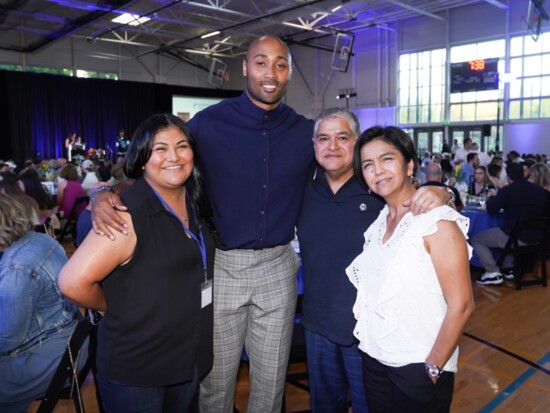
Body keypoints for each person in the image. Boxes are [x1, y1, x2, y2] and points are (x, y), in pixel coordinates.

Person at [90, 36, 453, 413]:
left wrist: (439, 190)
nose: (271, 73)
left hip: (278, 267)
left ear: (289, 74)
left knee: (270, 385)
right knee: (215, 383)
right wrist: (102, 190)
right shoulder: (208, 124)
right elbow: (161, 165)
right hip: (223, 267)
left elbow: (383, 175)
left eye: (280, 64)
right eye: (261, 63)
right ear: (245, 68)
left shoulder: (305, 133)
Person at [297, 108, 452, 413]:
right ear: (313, 145)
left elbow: (419, 198)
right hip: (316, 325)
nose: (333, 146)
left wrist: (441, 191)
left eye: (343, 138)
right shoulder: (302, 189)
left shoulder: (377, 187)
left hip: (368, 332)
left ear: (356, 143)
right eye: (323, 138)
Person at [58, 113, 216, 412]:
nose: (173, 156)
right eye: (160, 148)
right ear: (143, 158)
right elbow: (71, 281)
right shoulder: (126, 215)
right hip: (139, 368)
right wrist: (111, 305)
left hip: (187, 356)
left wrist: (101, 189)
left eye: (182, 146)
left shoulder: (196, 203)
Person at [346, 125, 474, 413]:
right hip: (375, 359)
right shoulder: (380, 221)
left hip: (419, 365)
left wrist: (432, 366)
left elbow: (462, 304)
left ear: (409, 164)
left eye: (387, 159)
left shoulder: (437, 222)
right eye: (368, 164)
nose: (378, 170)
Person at [0, 193, 88, 413]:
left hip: (51, 357)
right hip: (70, 343)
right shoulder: (40, 239)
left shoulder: (17, 267)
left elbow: (7, 340)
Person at [473, 162, 546, 286]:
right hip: (538, 236)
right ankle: (509, 267)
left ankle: (492, 272)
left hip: (516, 237)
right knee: (509, 231)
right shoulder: (539, 191)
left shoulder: (508, 190)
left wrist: (492, 198)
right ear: (524, 174)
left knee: (477, 239)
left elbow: (492, 209)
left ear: (508, 177)